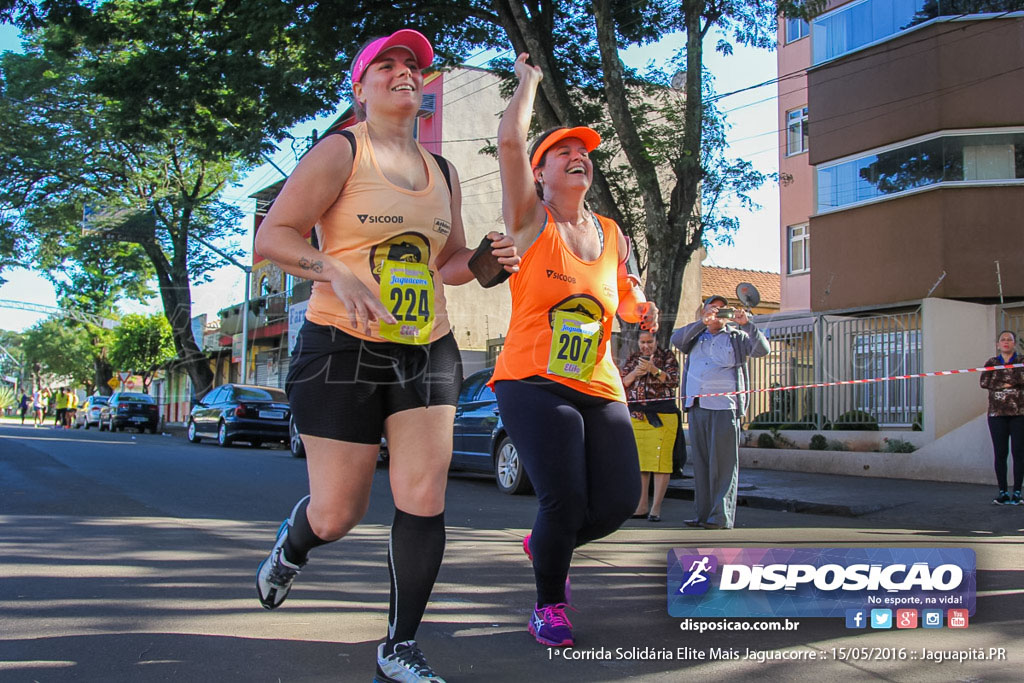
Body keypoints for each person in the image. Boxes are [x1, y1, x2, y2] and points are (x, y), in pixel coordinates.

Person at [252, 29, 518, 683]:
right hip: (341, 346)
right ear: (361, 85)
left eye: (414, 66)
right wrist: (331, 271)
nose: (405, 72)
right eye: (388, 64)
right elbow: (272, 237)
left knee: (423, 494)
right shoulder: (342, 150)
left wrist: (486, 264)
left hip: (426, 347)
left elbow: (448, 264)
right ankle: (295, 542)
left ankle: (399, 644)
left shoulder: (444, 173)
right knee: (338, 511)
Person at [489, 53, 659, 649]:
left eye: (583, 151)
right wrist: (528, 82)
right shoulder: (530, 222)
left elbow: (625, 293)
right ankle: (549, 604)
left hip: (598, 379)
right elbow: (511, 142)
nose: (577, 155)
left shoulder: (612, 233)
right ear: (540, 175)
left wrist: (640, 310)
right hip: (531, 379)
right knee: (563, 499)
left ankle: (546, 544)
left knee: (615, 501)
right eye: (561, 151)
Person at [671, 295, 769, 530]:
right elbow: (677, 339)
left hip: (725, 407)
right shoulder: (695, 336)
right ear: (704, 311)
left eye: (722, 311)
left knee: (723, 465)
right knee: (702, 465)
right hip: (697, 406)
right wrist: (701, 323)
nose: (717, 314)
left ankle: (720, 517)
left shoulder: (736, 337)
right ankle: (702, 515)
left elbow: (762, 350)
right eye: (712, 309)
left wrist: (748, 324)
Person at [620, 330, 681, 522]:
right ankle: (641, 506)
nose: (646, 345)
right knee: (642, 463)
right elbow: (622, 383)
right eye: (643, 342)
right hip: (638, 416)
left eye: (650, 342)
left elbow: (674, 381)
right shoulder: (633, 358)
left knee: (660, 463)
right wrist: (634, 373)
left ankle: (656, 509)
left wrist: (654, 370)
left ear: (657, 341)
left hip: (663, 415)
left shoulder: (667, 357)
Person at [979, 330, 1024, 505]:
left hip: (1019, 414)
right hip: (997, 414)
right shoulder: (992, 362)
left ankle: (1018, 491)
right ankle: (1003, 491)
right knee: (1000, 453)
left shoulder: (1021, 361)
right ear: (998, 344)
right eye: (1003, 340)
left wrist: (1002, 382)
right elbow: (984, 382)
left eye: (1009, 339)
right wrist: (1011, 381)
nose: (1006, 342)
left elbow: (1021, 377)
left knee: (1019, 452)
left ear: (1014, 343)